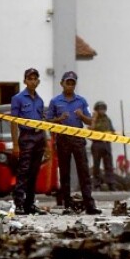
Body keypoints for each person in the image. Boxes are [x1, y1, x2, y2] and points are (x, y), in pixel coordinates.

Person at [47, 71, 100, 215]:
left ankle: (89, 204)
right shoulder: (55, 101)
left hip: (78, 139)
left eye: (72, 83)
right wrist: (59, 119)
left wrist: (81, 115)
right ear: (62, 84)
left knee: (83, 171)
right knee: (65, 173)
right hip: (62, 139)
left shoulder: (81, 101)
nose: (70, 86)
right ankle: (67, 205)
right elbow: (47, 121)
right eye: (67, 83)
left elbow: (91, 122)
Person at [10, 68, 47, 215]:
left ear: (38, 81)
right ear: (25, 80)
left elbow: (43, 121)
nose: (32, 81)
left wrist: (46, 142)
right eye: (29, 78)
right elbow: (12, 121)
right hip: (26, 137)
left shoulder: (40, 101)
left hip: (39, 138)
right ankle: (18, 203)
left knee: (34, 172)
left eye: (35, 79)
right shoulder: (18, 98)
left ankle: (29, 204)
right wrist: (15, 144)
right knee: (23, 171)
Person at [89, 100, 115, 190]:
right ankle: (96, 184)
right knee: (96, 165)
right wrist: (94, 119)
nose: (102, 111)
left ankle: (111, 183)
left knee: (109, 165)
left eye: (103, 109)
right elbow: (90, 131)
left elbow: (112, 130)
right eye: (100, 109)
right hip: (97, 144)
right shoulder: (93, 119)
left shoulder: (107, 119)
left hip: (106, 144)